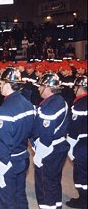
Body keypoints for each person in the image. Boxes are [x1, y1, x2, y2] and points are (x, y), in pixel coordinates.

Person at [0, 67, 35, 209]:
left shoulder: (5, 109)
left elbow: (3, 141)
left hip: (9, 161)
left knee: (6, 199)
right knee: (20, 195)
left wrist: (1, 164)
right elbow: (31, 132)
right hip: (23, 156)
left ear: (8, 84)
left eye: (1, 83)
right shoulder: (27, 103)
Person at [32, 72, 70, 209]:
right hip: (59, 147)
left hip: (49, 150)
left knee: (44, 186)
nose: (38, 88)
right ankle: (56, 206)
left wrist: (40, 154)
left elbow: (46, 134)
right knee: (54, 182)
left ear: (47, 87)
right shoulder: (58, 101)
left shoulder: (50, 107)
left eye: (40, 86)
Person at [66, 76, 87, 208]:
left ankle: (84, 200)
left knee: (82, 173)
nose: (74, 90)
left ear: (80, 88)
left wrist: (70, 148)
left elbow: (74, 129)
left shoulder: (79, 104)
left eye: (75, 87)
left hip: (83, 143)